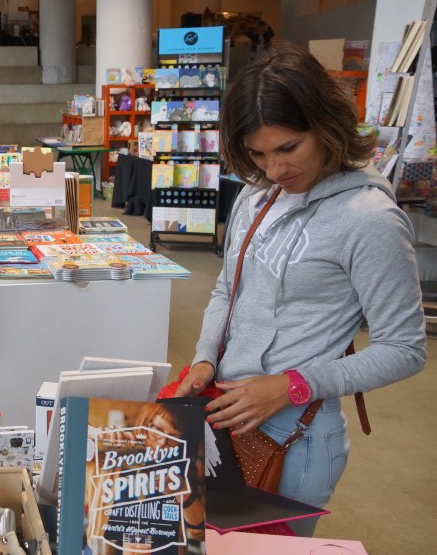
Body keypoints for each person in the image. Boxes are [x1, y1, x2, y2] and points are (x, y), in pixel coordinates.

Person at [175, 43, 426, 535]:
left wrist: (289, 386)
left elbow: (405, 349)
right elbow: (229, 290)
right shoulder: (256, 194)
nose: (274, 169)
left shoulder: (370, 220)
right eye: (257, 153)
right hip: (226, 416)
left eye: (288, 148)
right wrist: (206, 357)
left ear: (327, 126)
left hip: (297, 436)